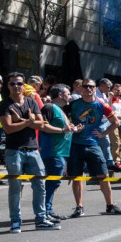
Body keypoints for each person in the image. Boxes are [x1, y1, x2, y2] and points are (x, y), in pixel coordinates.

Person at [0, 72, 58, 233]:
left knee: (40, 185)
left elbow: (40, 124)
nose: (16, 86)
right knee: (15, 187)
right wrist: (29, 122)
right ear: (8, 86)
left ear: (24, 85)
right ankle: (16, 221)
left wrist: (23, 121)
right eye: (12, 84)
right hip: (14, 150)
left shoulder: (31, 101)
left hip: (33, 149)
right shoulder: (4, 105)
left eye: (19, 83)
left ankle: (41, 219)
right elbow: (8, 128)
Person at [68, 80, 121, 217]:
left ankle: (110, 205)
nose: (88, 89)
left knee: (103, 175)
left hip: (94, 144)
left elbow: (115, 122)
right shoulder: (74, 104)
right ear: (81, 88)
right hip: (76, 144)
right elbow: (64, 118)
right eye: (85, 86)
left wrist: (103, 133)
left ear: (95, 88)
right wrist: (71, 128)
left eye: (91, 86)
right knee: (77, 177)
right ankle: (79, 207)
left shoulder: (101, 104)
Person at [39, 84, 77, 223]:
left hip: (60, 152)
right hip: (52, 152)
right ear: (60, 95)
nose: (70, 95)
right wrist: (63, 130)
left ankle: (47, 211)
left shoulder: (59, 109)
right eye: (68, 93)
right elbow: (42, 126)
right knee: (52, 183)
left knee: (54, 183)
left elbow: (63, 128)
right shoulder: (49, 107)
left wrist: (72, 129)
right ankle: (44, 212)